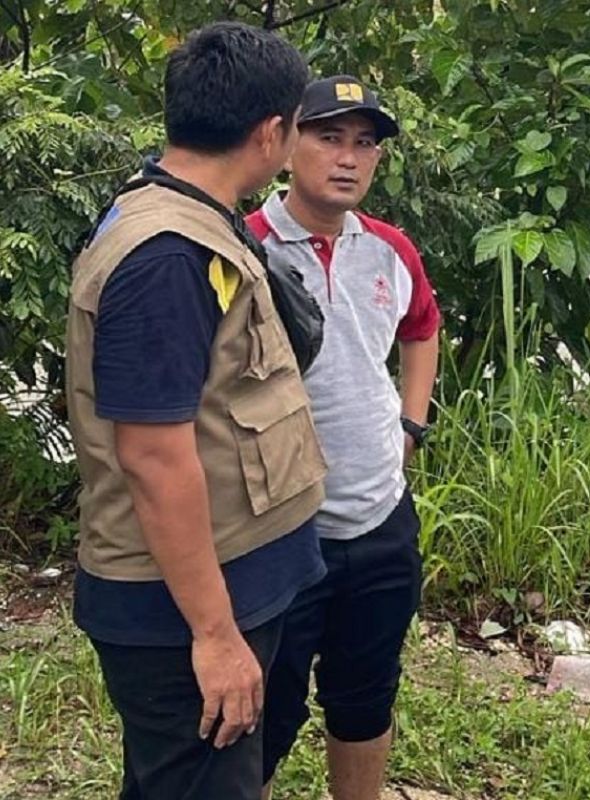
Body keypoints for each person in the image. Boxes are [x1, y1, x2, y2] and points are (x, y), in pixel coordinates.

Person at [66, 22, 327, 800]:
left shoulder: (188, 213)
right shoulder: (167, 256)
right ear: (271, 133)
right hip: (180, 607)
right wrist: (214, 635)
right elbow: (152, 455)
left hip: (236, 572)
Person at [246, 75, 440, 800]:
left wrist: (411, 423)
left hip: (380, 514)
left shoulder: (390, 249)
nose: (348, 158)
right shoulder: (245, 247)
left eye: (364, 143)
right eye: (329, 137)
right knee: (262, 707)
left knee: (365, 694)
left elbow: (422, 328)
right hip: (280, 525)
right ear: (285, 141)